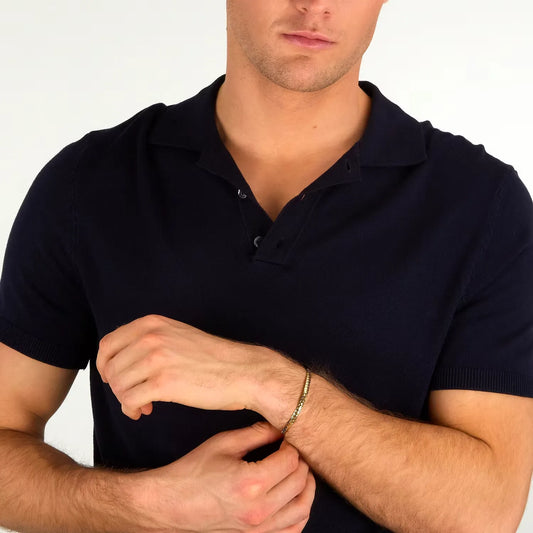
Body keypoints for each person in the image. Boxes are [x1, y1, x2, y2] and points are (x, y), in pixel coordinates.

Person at [0, 1, 532, 531]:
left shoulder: (480, 205)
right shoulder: (89, 183)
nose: (315, 5)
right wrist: (147, 507)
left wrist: (266, 382)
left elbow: (486, 514)